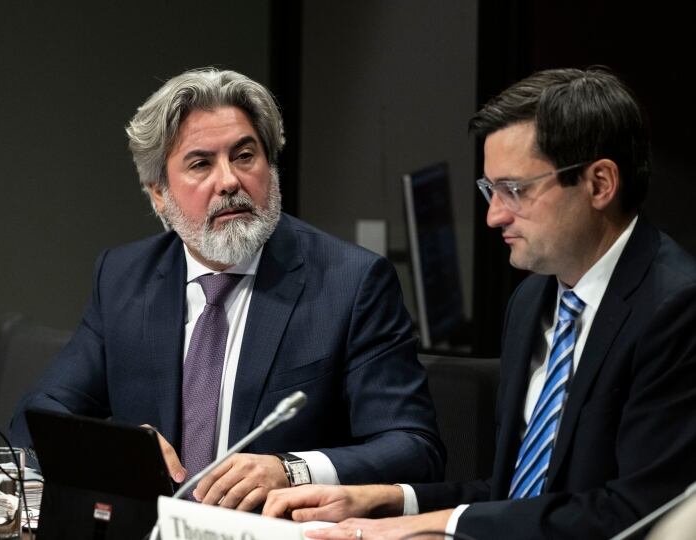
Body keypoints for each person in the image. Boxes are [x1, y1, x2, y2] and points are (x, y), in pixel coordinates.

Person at [263, 67, 696, 539]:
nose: (494, 216)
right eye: (490, 190)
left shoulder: (675, 309)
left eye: (515, 190)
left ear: (599, 184)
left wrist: (425, 527)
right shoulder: (532, 300)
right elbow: (516, 496)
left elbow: (630, 512)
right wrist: (384, 500)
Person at [9, 67, 444, 511]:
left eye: (245, 156)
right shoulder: (125, 277)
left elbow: (414, 448)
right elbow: (38, 416)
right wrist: (115, 448)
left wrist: (291, 469)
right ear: (158, 193)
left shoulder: (350, 283)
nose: (230, 181)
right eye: (201, 163)